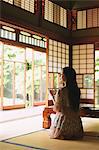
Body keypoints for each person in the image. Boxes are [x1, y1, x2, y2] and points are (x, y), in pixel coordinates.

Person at [49, 67, 84, 140]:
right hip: (76, 124)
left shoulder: (61, 90)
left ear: (66, 76)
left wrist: (53, 97)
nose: (60, 76)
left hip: (64, 123)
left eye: (62, 74)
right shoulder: (77, 90)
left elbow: (58, 108)